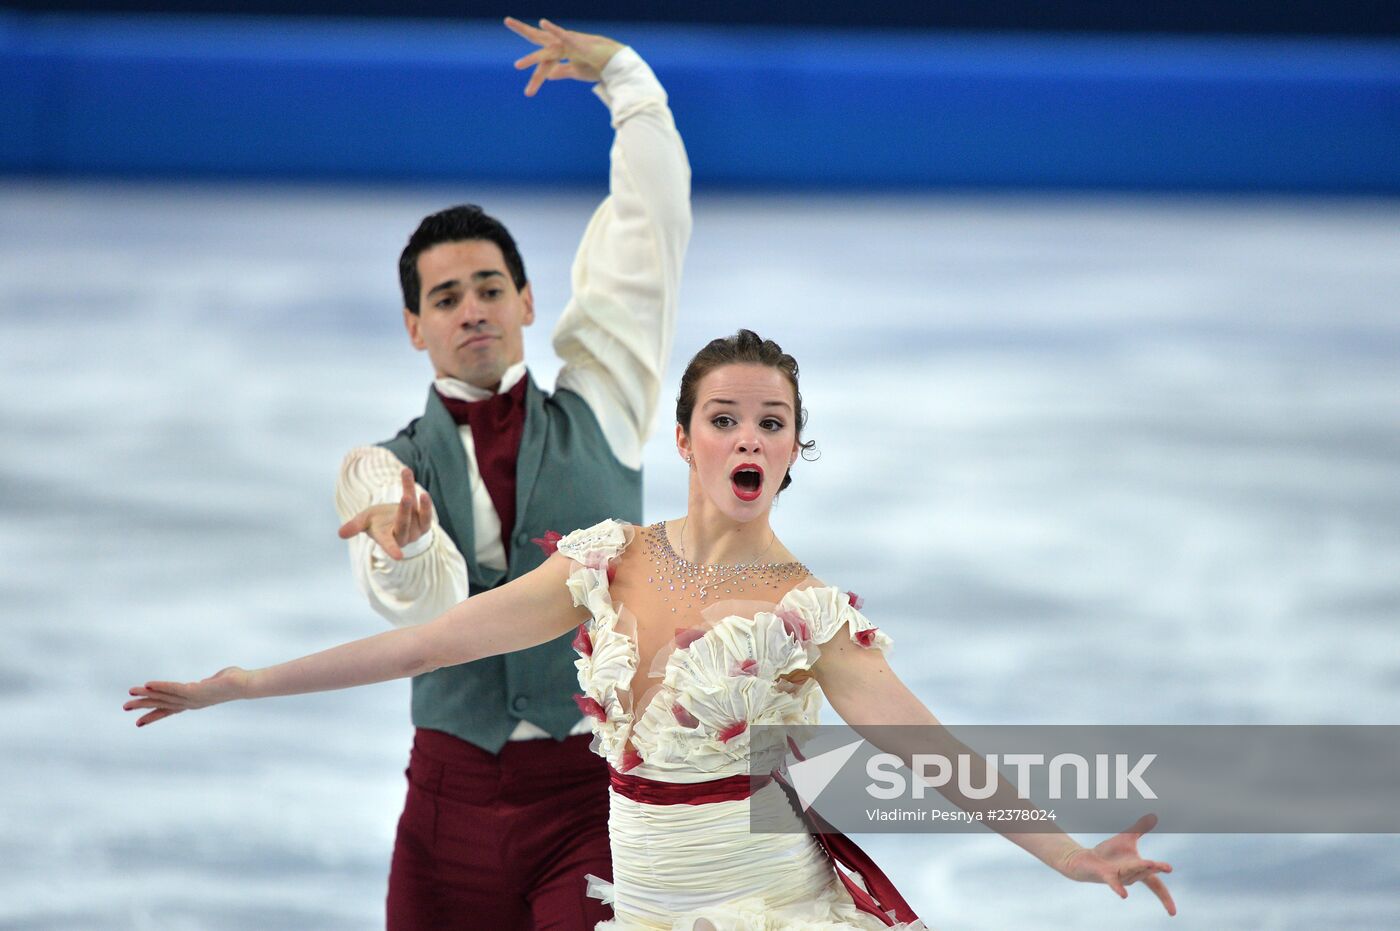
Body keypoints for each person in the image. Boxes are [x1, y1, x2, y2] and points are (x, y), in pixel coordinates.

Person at [128, 330, 1177, 929]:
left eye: (772, 420)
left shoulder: (802, 612)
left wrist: (1069, 860)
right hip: (638, 910)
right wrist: (245, 682)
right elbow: (428, 643)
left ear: (795, 449)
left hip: (764, 910)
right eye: (725, 416)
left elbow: (931, 753)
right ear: (684, 436)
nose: (748, 434)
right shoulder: (608, 560)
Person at [328, 16, 690, 930]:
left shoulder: (603, 405)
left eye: (491, 287)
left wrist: (629, 83)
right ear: (415, 325)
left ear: (528, 301)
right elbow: (420, 604)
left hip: (591, 801)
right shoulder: (390, 469)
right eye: (446, 297)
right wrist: (402, 542)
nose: (473, 309)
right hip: (444, 811)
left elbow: (647, 240)